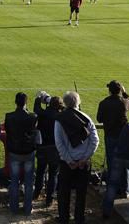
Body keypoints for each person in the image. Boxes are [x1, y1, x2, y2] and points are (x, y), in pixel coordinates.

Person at [55, 91, 99, 224]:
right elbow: (95, 141)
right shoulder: (87, 118)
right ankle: (79, 219)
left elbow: (59, 143)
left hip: (67, 163)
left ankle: (64, 219)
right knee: (81, 194)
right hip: (82, 164)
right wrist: (84, 159)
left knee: (64, 194)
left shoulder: (59, 119)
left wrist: (69, 160)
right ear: (78, 102)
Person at [96, 80, 129, 199]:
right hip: (123, 136)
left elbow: (99, 119)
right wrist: (125, 92)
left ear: (109, 90)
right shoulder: (124, 102)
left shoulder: (104, 103)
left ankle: (114, 189)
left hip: (110, 136)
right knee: (125, 162)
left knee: (112, 162)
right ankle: (126, 189)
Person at [4, 92, 38, 215]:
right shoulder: (32, 116)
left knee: (14, 181)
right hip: (28, 152)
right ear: (26, 102)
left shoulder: (9, 116)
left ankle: (14, 208)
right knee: (28, 182)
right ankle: (28, 208)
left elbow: (8, 131)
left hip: (15, 151)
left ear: (15, 102)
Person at [33, 92, 64, 207]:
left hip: (42, 146)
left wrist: (39, 97)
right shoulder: (60, 116)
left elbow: (36, 108)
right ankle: (49, 199)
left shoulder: (43, 113)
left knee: (40, 171)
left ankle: (36, 193)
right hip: (55, 148)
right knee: (53, 174)